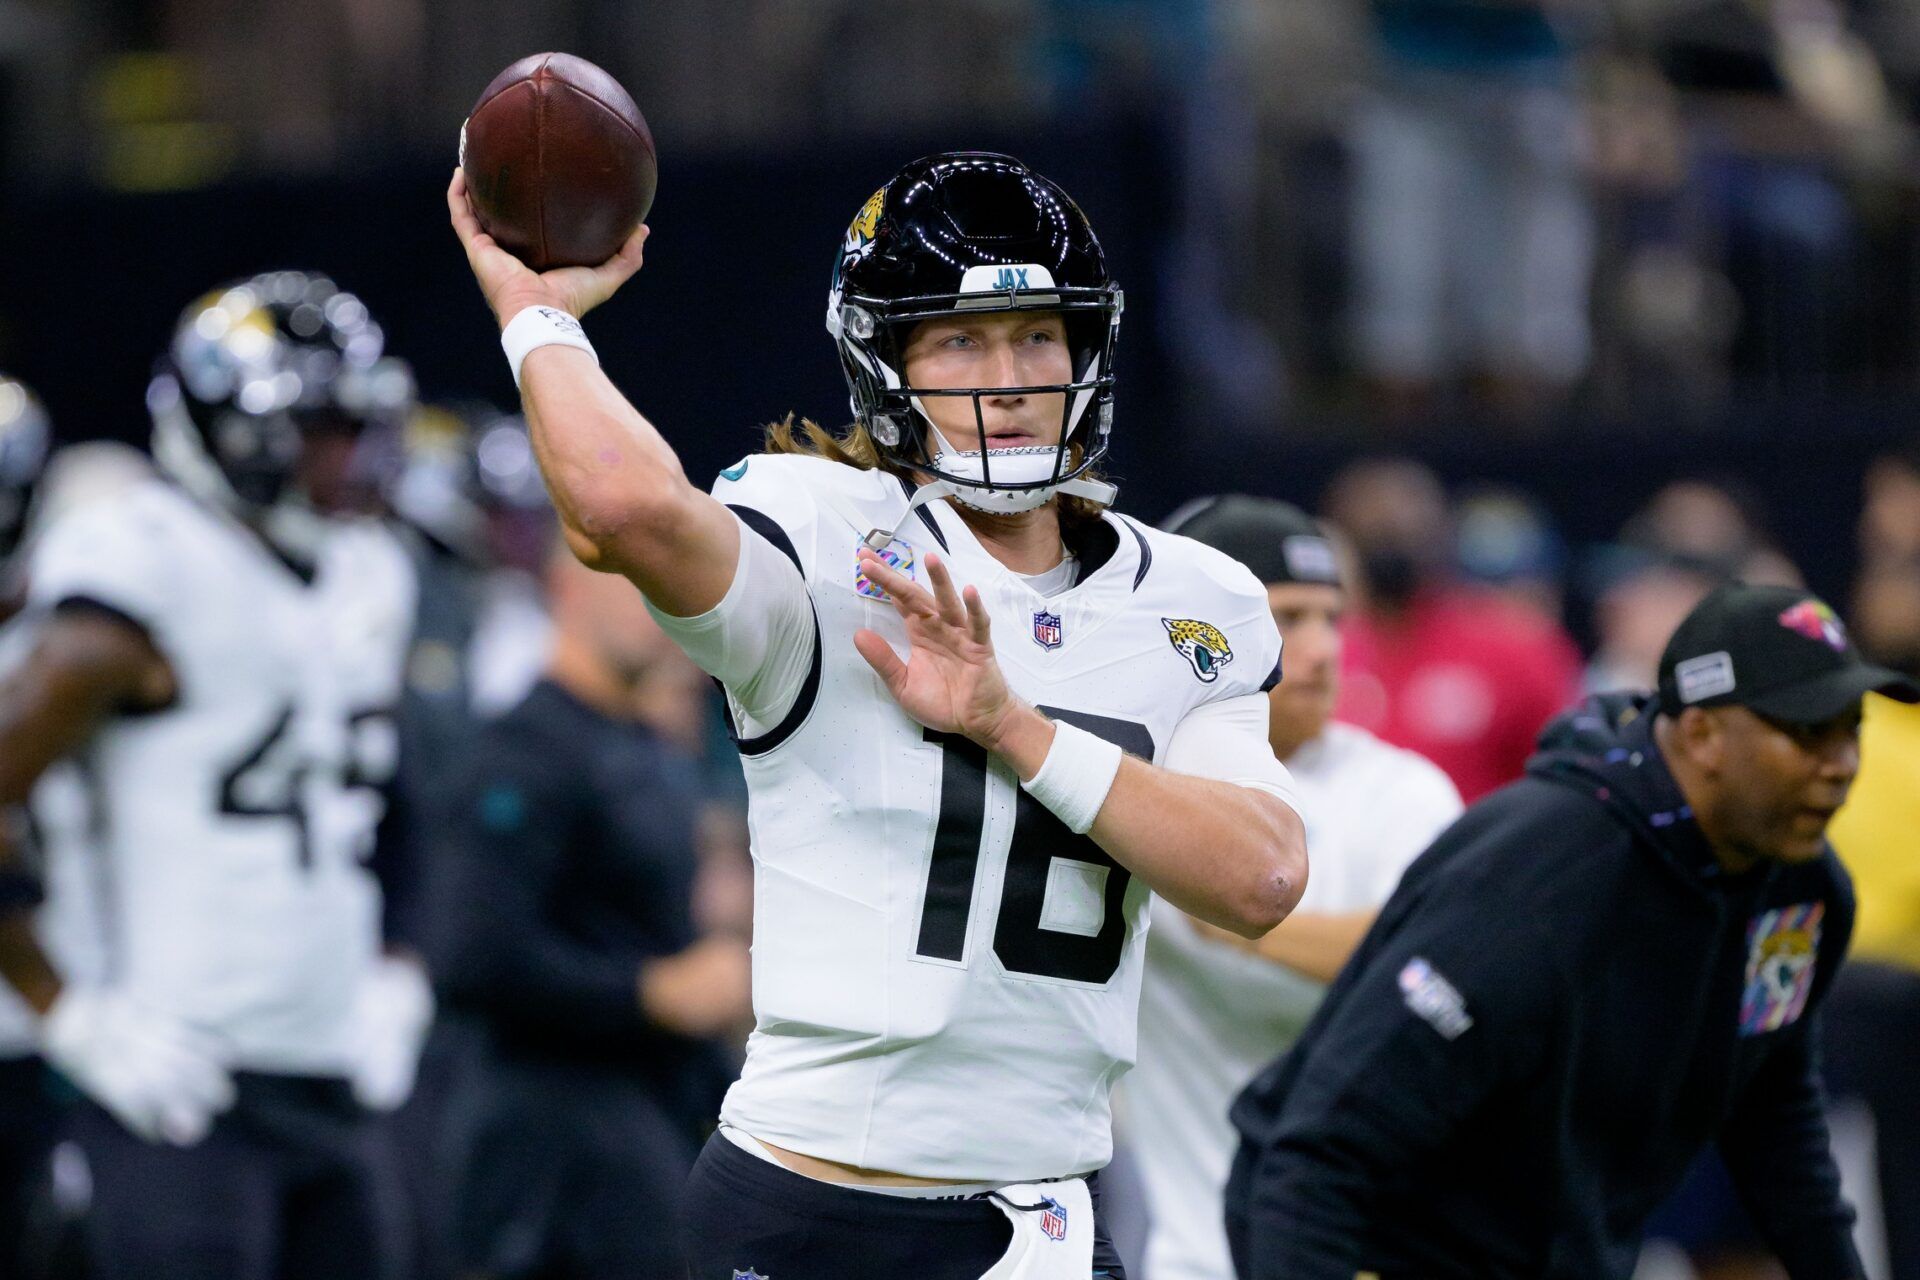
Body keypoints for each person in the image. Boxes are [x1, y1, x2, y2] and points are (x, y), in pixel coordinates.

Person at [447, 149, 1309, 1280]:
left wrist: (1016, 725)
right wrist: (536, 318)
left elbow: (1262, 879)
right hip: (820, 1205)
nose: (1008, 375)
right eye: (960, 339)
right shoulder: (823, 530)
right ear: (884, 359)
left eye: (1038, 334)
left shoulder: (1194, 596)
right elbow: (618, 511)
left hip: (1053, 1211)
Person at [1226, 582, 1917, 1280]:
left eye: (1850, 726)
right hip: (1370, 1246)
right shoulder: (1541, 878)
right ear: (1704, 734)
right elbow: (1321, 1153)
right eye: (1806, 731)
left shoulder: (1799, 895)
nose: (1843, 764)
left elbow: (1775, 1125)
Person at [0, 272, 422, 1280]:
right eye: (319, 428)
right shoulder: (141, 563)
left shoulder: (372, 572)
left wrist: (399, 963)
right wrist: (68, 1009)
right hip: (181, 1085)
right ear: (230, 429)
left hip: (332, 1073)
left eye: (354, 426)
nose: (346, 456)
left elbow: (389, 793)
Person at [1123, 495, 1462, 1280]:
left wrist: (1238, 903)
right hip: (1189, 1259)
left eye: (1331, 619)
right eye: (1286, 617)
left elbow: (1438, 967)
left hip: (1379, 1250)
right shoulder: (1131, 792)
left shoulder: (1404, 791)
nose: (1322, 650)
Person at [435, 536, 752, 1280]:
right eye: (625, 578)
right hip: (541, 1130)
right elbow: (471, 956)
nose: (652, 600)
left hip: (648, 1105)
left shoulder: (645, 747)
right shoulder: (521, 750)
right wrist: (653, 992)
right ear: (564, 589)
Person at [1324, 457, 1583, 801]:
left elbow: (1571, 778)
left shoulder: (1514, 648)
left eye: (1406, 531)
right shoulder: (1317, 653)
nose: (1392, 549)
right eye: (1377, 535)